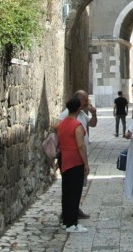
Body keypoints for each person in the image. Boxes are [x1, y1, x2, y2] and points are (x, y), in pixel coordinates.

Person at [59, 90, 97, 219]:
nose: (87, 102)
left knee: (74, 186)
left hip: (74, 156)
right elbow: (78, 143)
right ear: (79, 100)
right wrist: (85, 163)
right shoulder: (67, 117)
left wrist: (94, 114)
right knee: (72, 187)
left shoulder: (81, 114)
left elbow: (92, 124)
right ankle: (70, 215)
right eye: (85, 99)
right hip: (73, 157)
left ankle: (72, 211)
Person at [58, 97, 90, 233]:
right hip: (75, 160)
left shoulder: (62, 124)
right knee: (75, 193)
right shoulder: (76, 125)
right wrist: (86, 164)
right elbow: (81, 146)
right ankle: (72, 223)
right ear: (78, 109)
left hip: (65, 159)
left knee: (66, 191)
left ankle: (66, 221)